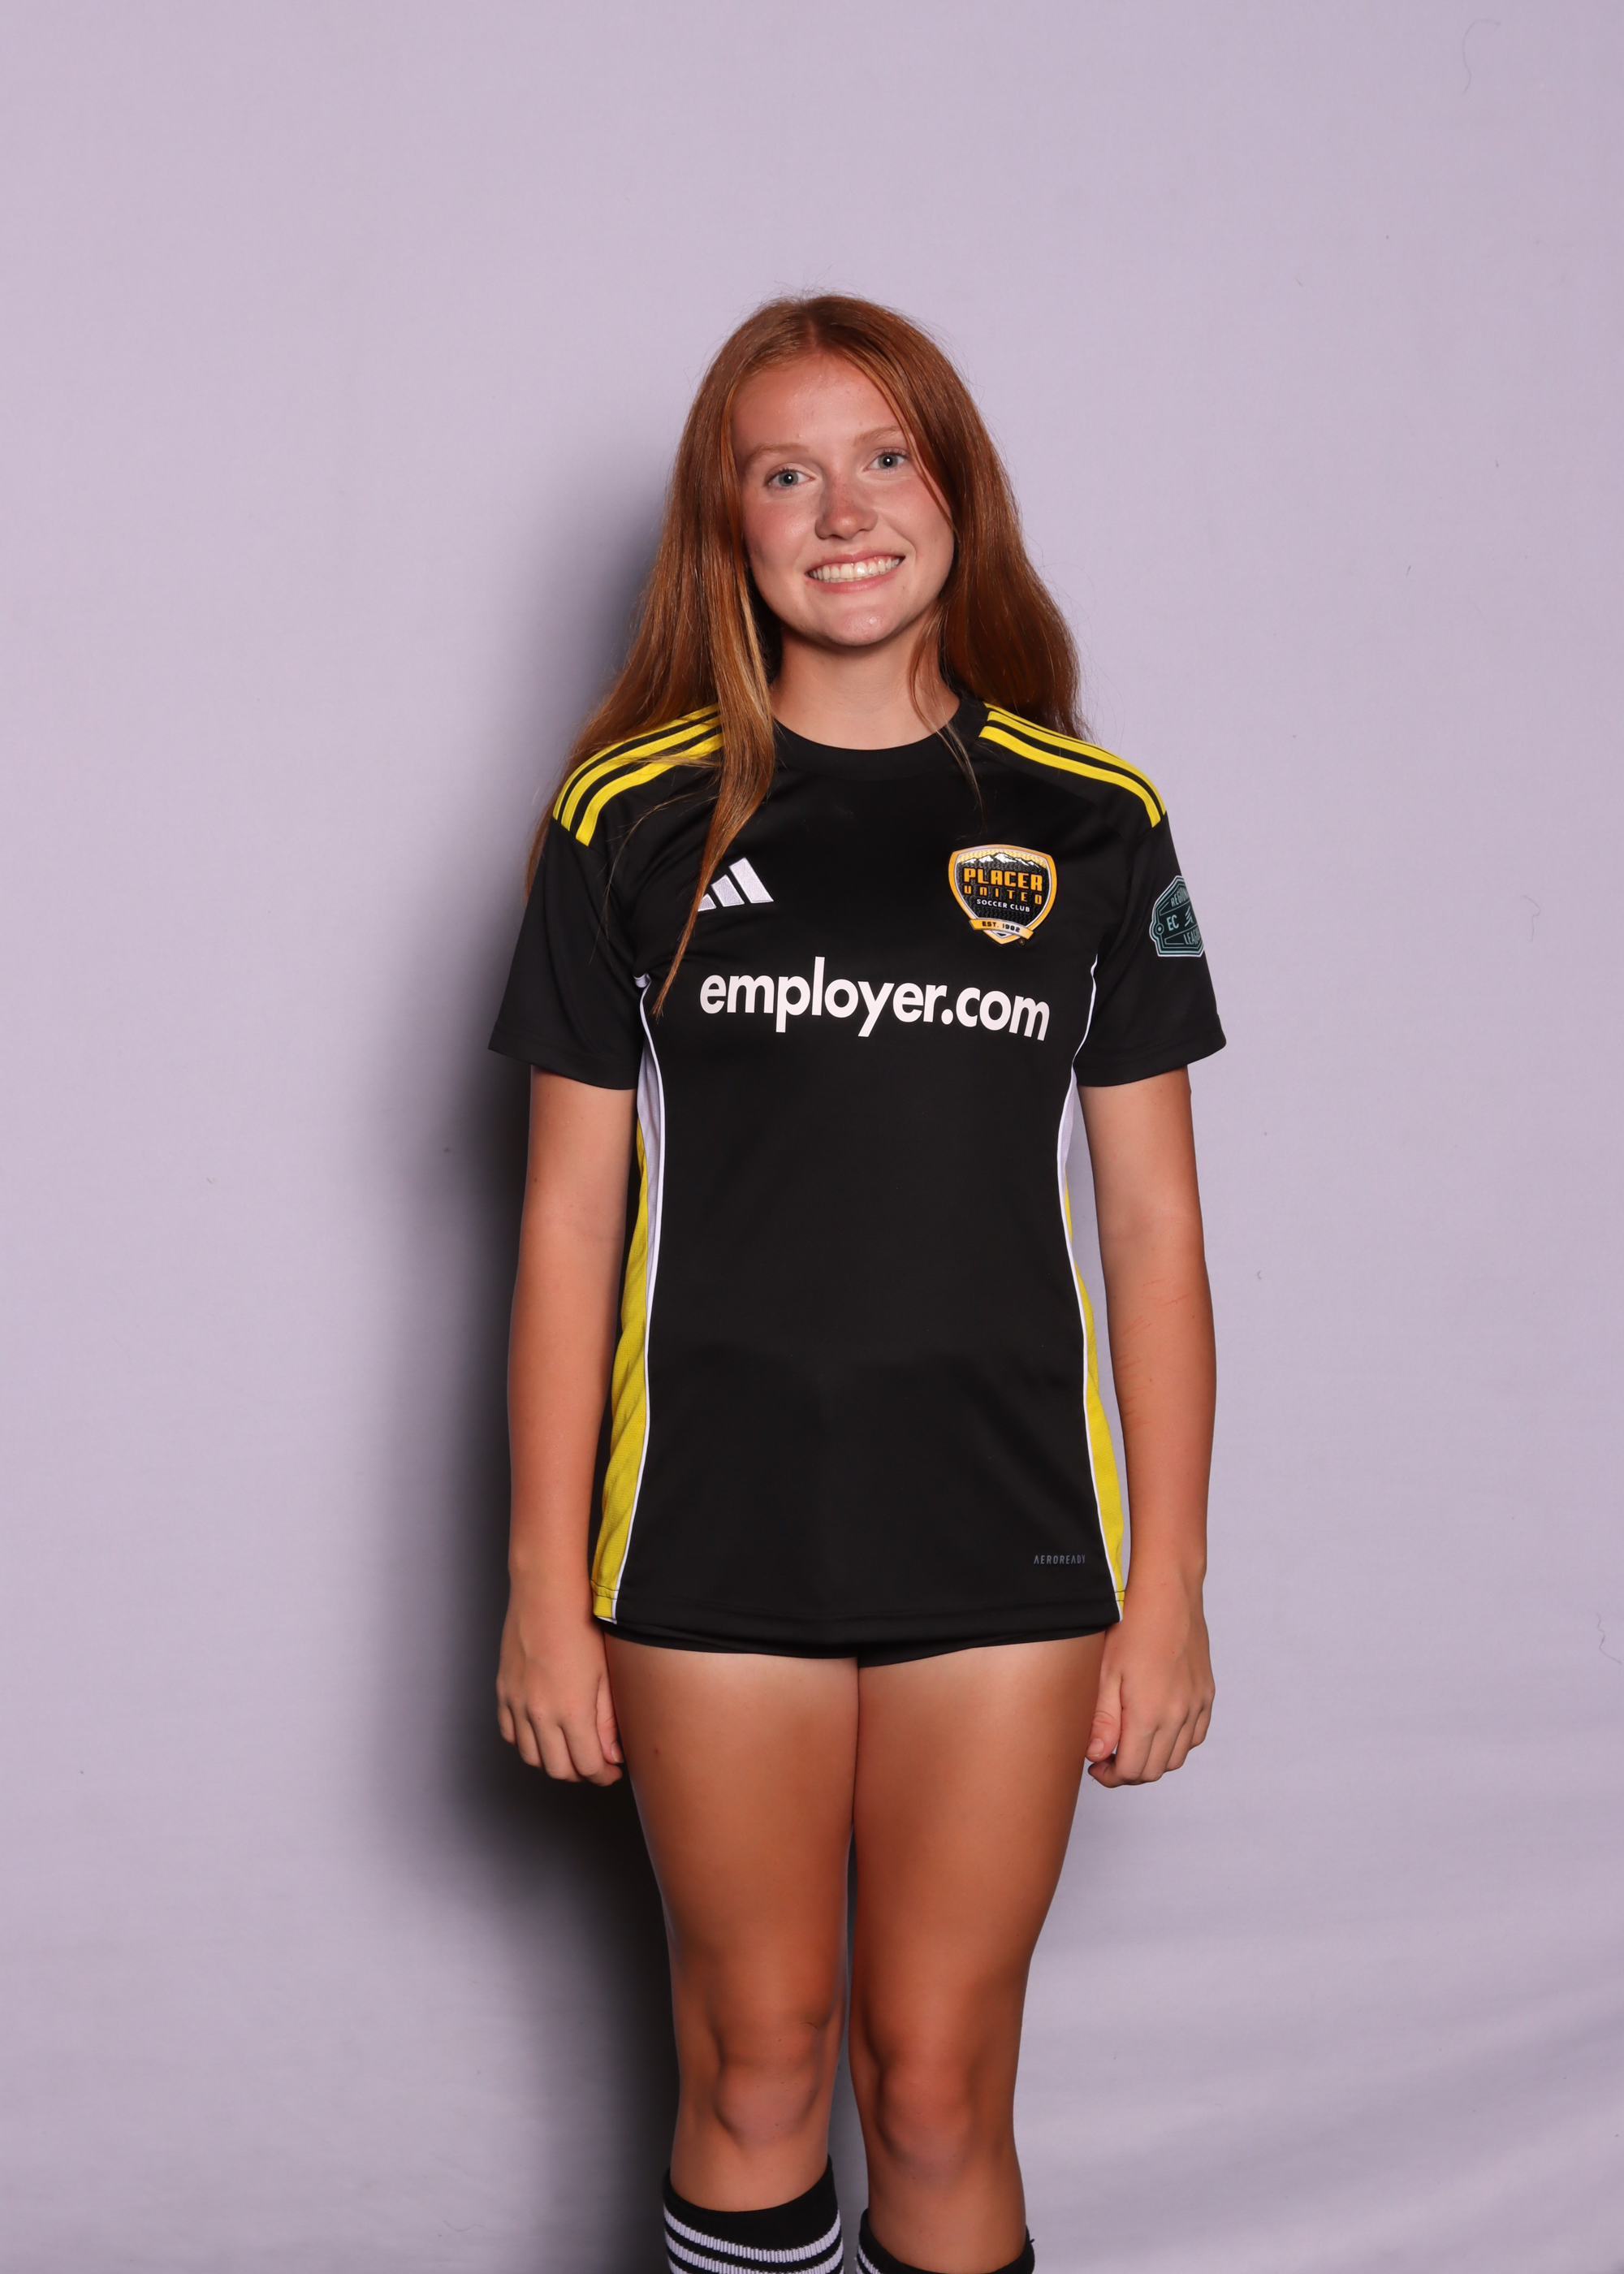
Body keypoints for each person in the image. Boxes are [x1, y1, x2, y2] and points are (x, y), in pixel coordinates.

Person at [490, 294, 1223, 2274]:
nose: (842, 510)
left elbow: (1153, 1227)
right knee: (755, 2059)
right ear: (724, 527)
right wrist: (544, 1589)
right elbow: (562, 1226)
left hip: (1005, 1528)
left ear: (955, 492)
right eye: (784, 472)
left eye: (885, 457)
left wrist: (1167, 1583)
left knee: (936, 2082)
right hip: (710, 1525)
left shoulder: (1090, 817)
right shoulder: (625, 815)